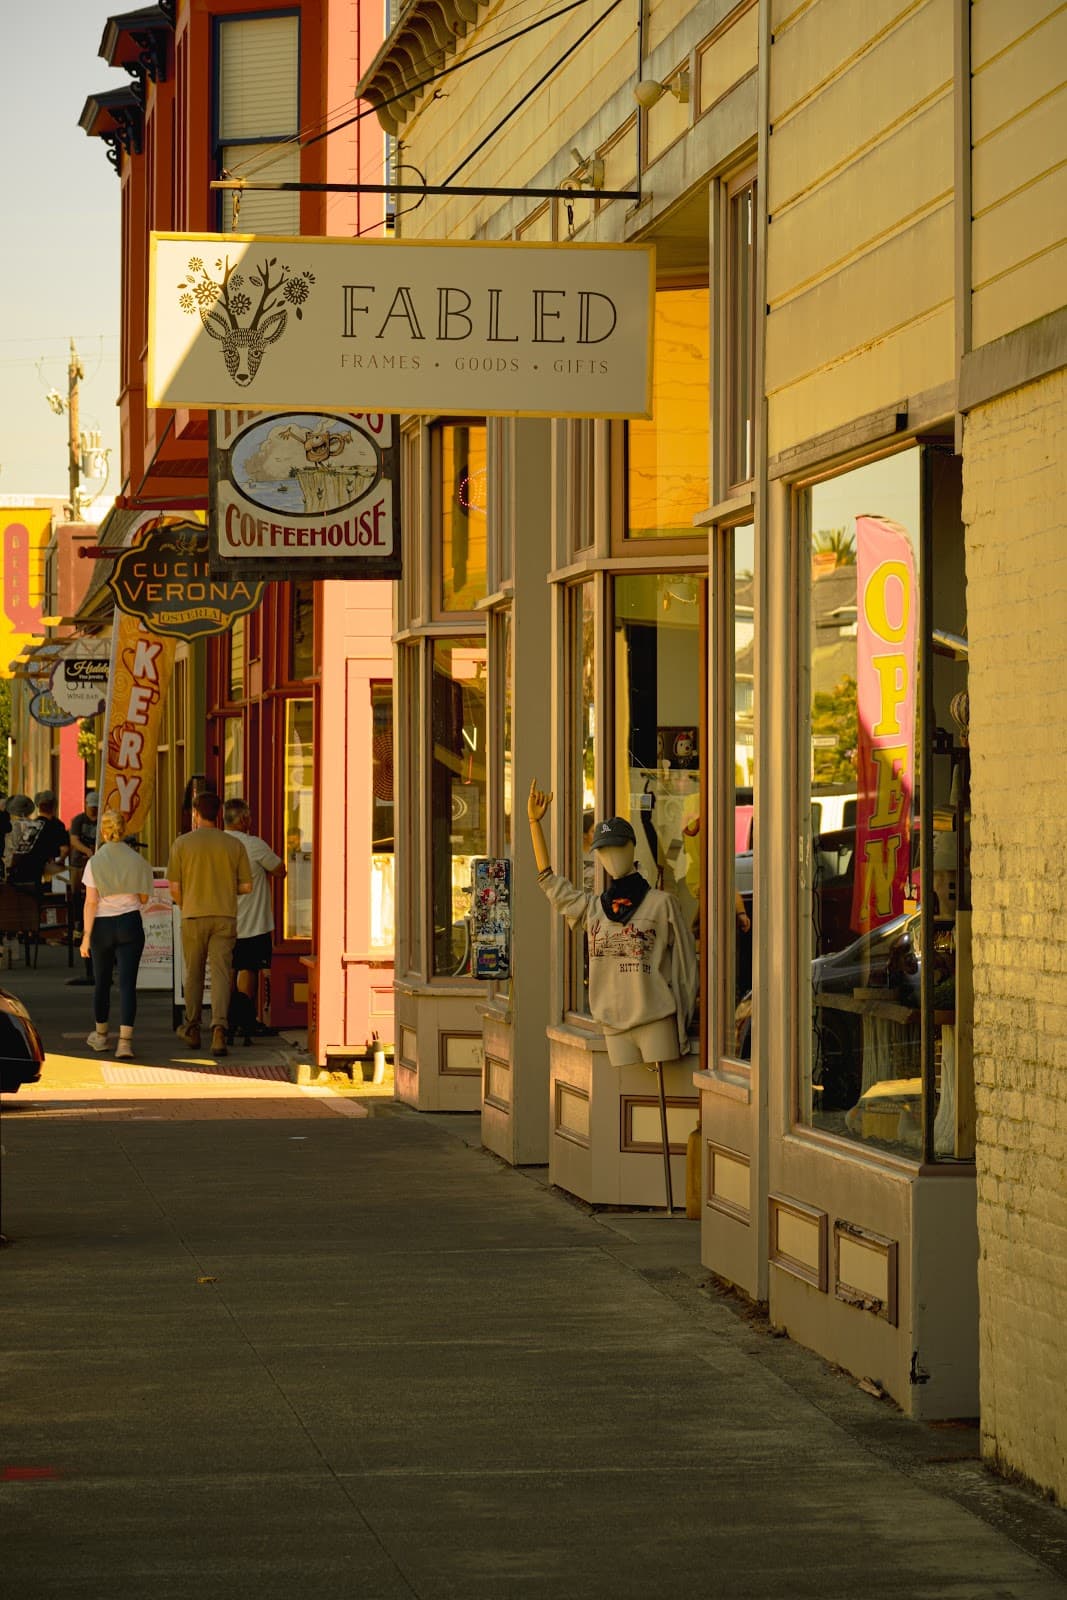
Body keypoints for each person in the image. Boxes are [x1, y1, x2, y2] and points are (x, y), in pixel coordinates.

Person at [528, 781, 696, 1066]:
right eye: (603, 851)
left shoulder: (660, 904)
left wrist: (683, 1022)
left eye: (617, 847)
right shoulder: (595, 909)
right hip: (612, 1026)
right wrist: (534, 824)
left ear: (632, 847)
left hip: (656, 1021)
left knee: (659, 1099)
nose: (610, 857)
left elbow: (686, 967)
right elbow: (551, 884)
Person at [167, 791, 252, 1058]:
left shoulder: (182, 844)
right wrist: (226, 890)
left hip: (192, 914)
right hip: (225, 915)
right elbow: (247, 886)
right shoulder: (233, 845)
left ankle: (192, 1027)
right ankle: (219, 1030)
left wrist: (186, 903)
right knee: (221, 974)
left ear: (195, 813)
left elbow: (174, 887)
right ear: (218, 814)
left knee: (193, 973)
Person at [80, 809, 154, 1060]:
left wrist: (86, 936)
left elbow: (91, 902)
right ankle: (125, 1042)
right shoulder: (138, 861)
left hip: (101, 925)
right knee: (127, 984)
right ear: (124, 831)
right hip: (130, 923)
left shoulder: (94, 862)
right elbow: (144, 898)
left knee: (102, 982)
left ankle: (101, 1036)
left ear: (103, 831)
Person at [223, 797, 286, 1044]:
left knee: (229, 969)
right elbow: (280, 870)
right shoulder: (254, 845)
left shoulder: (219, 844)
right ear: (243, 819)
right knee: (249, 968)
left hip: (225, 918)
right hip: (253, 921)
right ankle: (246, 1019)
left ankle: (226, 1018)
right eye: (248, 816)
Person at [6, 790, 69, 896]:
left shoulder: (33, 825)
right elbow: (65, 850)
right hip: (38, 871)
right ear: (55, 805)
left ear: (38, 806)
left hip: (21, 870)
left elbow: (20, 850)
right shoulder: (58, 826)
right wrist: (60, 862)